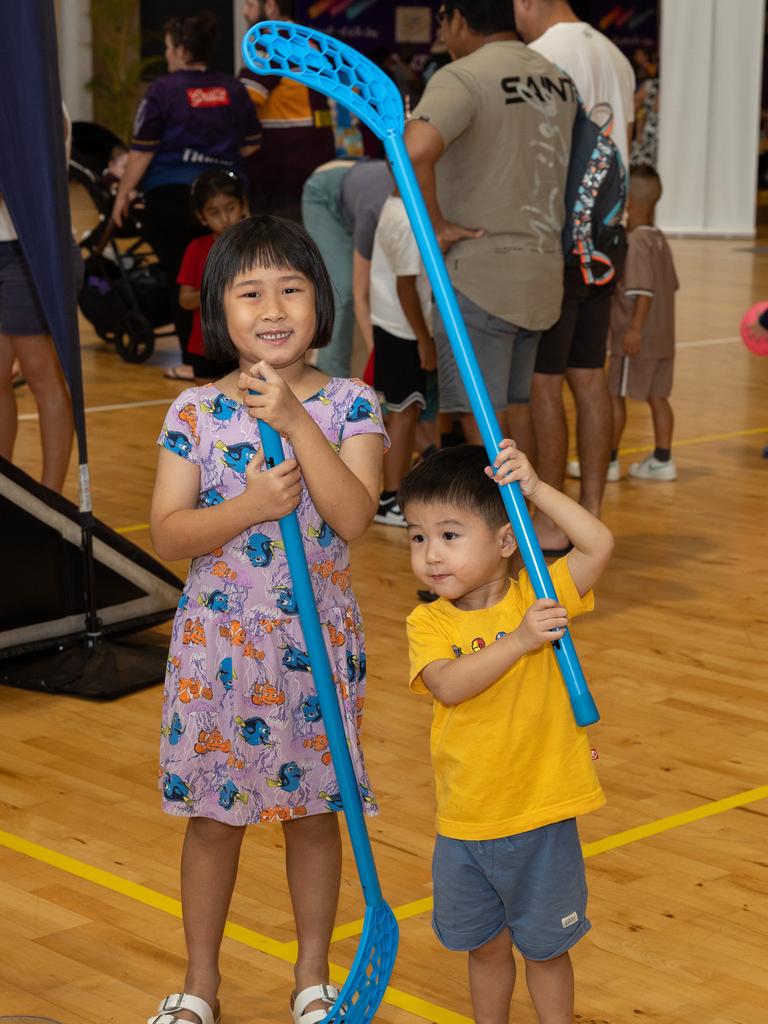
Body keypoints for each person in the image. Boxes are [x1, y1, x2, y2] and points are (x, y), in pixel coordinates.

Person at [148, 215, 388, 1024]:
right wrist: (249, 506)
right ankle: (200, 984)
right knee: (215, 820)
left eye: (291, 287)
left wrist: (294, 422)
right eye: (250, 292)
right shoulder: (193, 411)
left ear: (320, 301)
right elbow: (169, 532)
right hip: (217, 650)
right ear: (221, 310)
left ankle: (313, 978)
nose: (274, 306)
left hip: (312, 645)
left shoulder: (352, 402)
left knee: (316, 815)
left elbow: (354, 517)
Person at [400, 440, 613, 1024]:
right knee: (485, 946)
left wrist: (536, 490)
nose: (431, 555)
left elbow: (599, 544)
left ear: (504, 540)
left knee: (546, 950)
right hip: (467, 821)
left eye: (449, 534)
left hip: (542, 814)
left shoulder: (539, 595)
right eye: (417, 537)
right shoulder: (430, 621)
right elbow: (448, 685)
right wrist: (518, 640)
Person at [405, 0, 577, 455]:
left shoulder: (462, 76)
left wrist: (435, 225)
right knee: (518, 408)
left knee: (481, 419)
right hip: (542, 273)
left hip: (481, 277)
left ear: (458, 18)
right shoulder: (557, 79)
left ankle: (502, 523)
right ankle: (531, 521)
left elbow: (413, 150)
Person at [513, 0, 636, 553]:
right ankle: (590, 513)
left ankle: (553, 521)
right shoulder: (617, 56)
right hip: (608, 239)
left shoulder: (538, 56)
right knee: (589, 377)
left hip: (558, 245)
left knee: (543, 382)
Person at [113, 11, 261, 381]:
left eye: (167, 48)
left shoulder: (162, 90)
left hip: (172, 197)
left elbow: (142, 150)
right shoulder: (233, 88)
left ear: (180, 49)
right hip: (224, 192)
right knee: (232, 275)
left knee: (185, 276)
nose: (166, 55)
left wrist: (123, 194)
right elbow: (252, 144)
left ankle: (190, 359)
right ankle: (238, 352)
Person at [0, 106, 80, 493]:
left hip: (29, 252)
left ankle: (50, 500)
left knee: (40, 373)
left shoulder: (36, 96)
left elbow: (18, 186)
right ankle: (8, 491)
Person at [606, 165, 679, 481]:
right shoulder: (660, 239)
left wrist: (633, 328)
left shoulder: (635, 242)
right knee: (658, 397)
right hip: (663, 340)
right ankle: (663, 459)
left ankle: (607, 461)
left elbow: (643, 291)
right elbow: (671, 286)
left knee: (614, 397)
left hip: (634, 341)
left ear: (628, 204)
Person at [370, 193, 436, 527]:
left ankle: (393, 493)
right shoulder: (408, 219)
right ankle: (389, 498)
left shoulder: (395, 204)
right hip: (402, 328)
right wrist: (424, 338)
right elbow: (406, 286)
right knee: (403, 411)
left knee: (407, 410)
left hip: (394, 323)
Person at [239, 0, 337, 222]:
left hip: (279, 175)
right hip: (317, 168)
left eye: (250, 5)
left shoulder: (272, 40)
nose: (245, 13)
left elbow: (243, 102)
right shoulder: (310, 40)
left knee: (273, 253)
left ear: (271, 7)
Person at [301, 158, 394, 378]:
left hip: (359, 178)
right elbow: (360, 294)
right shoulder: (374, 213)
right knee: (342, 290)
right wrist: (378, 357)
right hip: (325, 190)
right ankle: (330, 387)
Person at [176, 169, 248, 368]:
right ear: (201, 216)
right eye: (214, 212)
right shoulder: (196, 249)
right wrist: (213, 293)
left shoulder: (254, 246)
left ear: (243, 204)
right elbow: (184, 300)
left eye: (230, 207)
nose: (224, 218)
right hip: (205, 344)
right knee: (206, 399)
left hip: (247, 345)